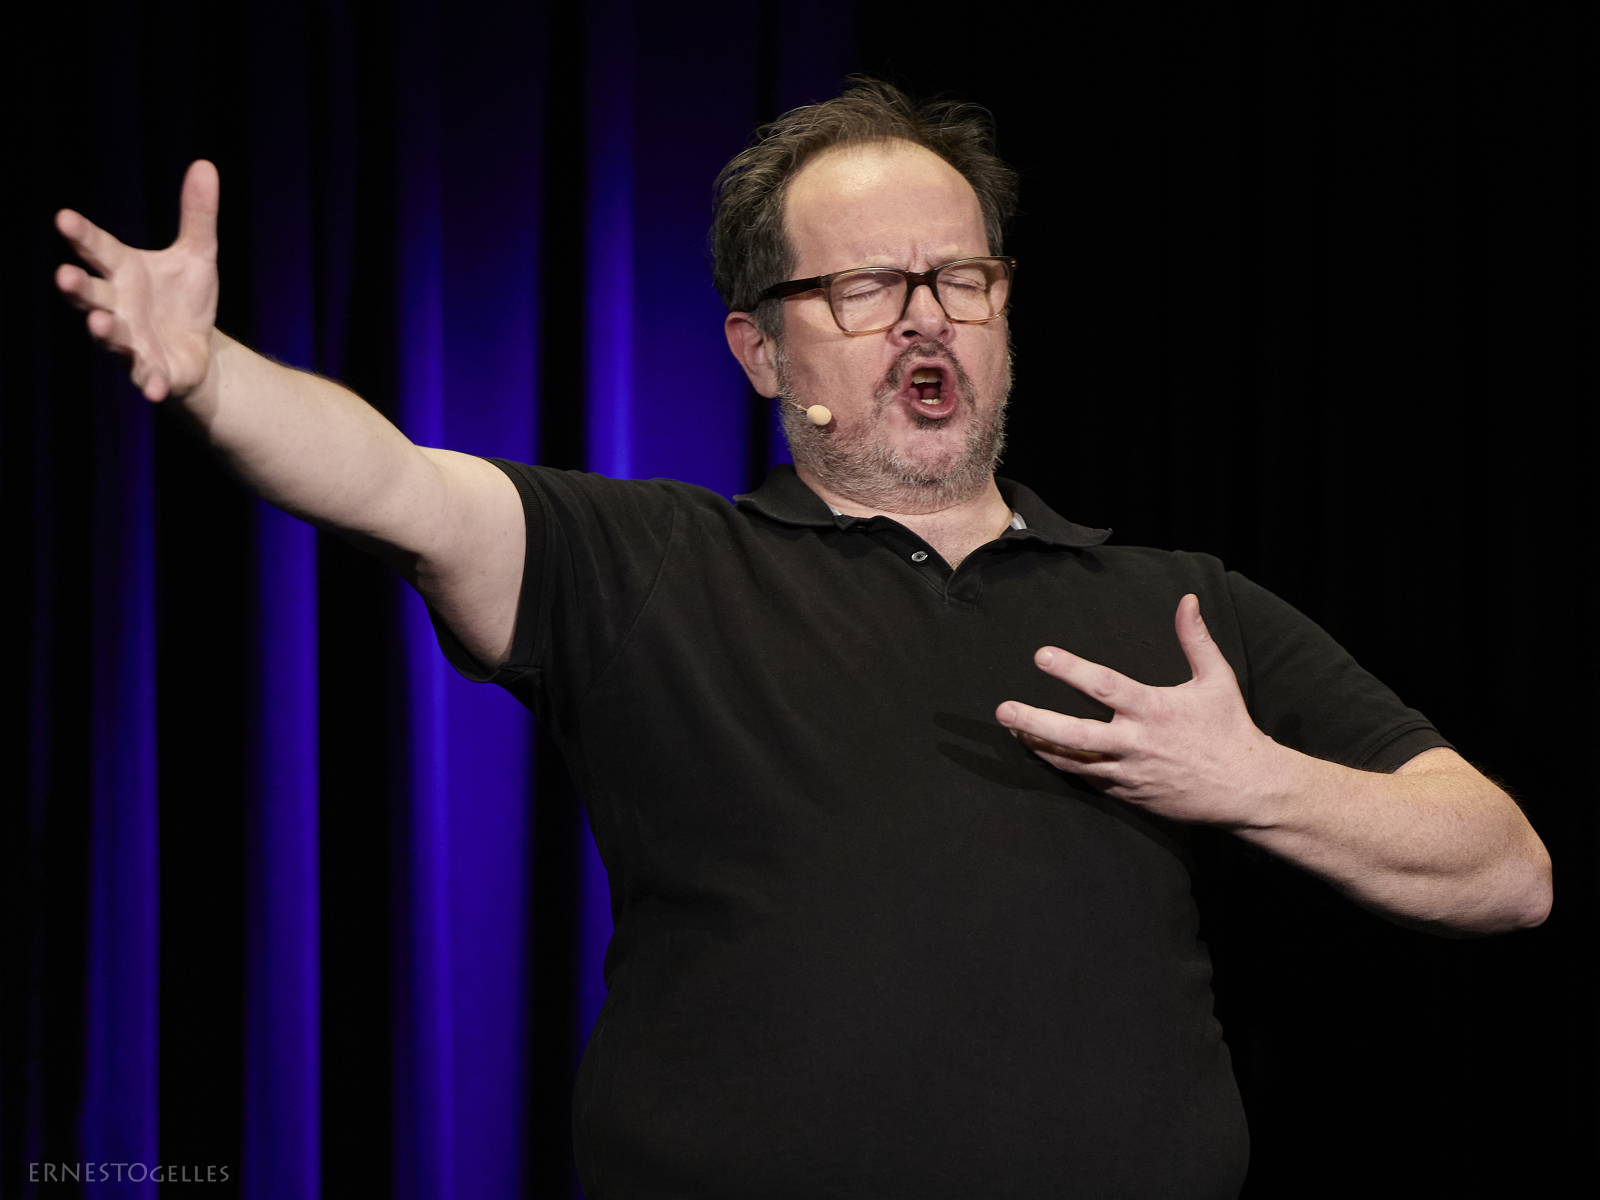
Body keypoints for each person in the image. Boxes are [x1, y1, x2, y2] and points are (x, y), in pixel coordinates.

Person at [57, 79, 1549, 1199]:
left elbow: (1503, 869)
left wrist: (1255, 781)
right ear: (761, 349)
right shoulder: (650, 565)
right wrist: (214, 376)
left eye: (961, 278)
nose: (926, 318)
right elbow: (389, 483)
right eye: (863, 287)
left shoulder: (1175, 604)